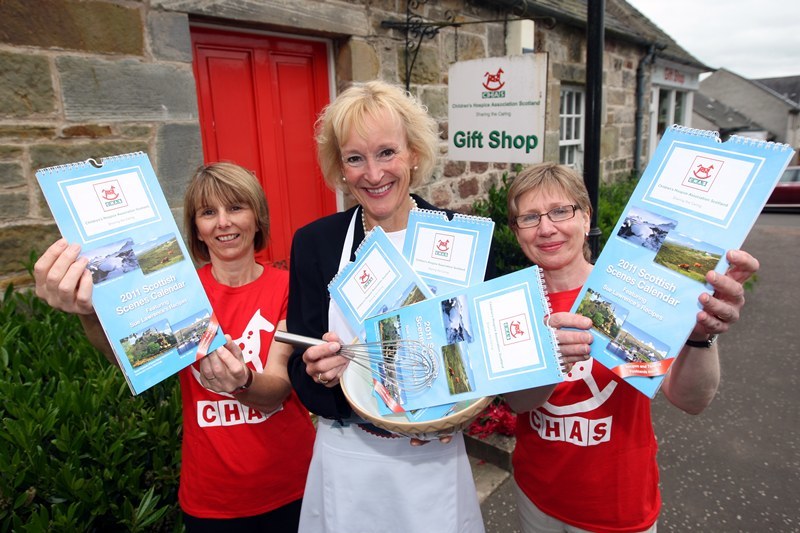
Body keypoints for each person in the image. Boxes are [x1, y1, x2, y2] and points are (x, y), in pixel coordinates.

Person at [34, 162, 316, 532]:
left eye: (236, 207)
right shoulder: (179, 292)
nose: (223, 222)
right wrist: (88, 313)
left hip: (293, 487)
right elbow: (130, 359)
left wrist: (243, 381)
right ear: (196, 229)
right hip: (212, 497)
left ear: (258, 217)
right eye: (208, 212)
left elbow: (277, 389)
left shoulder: (287, 287)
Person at [503, 163, 759, 533]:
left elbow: (690, 400)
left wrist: (700, 336)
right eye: (529, 218)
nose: (546, 228)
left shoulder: (626, 290)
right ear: (516, 231)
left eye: (561, 211)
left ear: (586, 215)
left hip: (615, 507)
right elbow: (519, 403)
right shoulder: (515, 302)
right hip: (535, 493)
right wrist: (548, 359)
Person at [286, 80, 486, 533]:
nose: (373, 174)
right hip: (348, 458)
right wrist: (319, 373)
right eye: (356, 158)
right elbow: (301, 367)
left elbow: (478, 360)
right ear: (340, 168)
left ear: (414, 153)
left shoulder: (459, 239)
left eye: (387, 153)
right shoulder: (315, 245)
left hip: (431, 457)